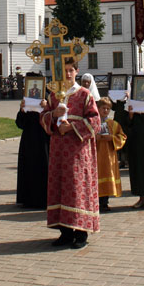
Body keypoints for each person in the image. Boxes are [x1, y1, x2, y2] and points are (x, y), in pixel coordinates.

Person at [40, 58, 100, 249]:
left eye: (70, 70)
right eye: (63, 71)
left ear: (77, 71)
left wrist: (72, 127)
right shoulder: (54, 96)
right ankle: (65, 232)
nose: (67, 74)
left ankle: (81, 233)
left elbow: (95, 122)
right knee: (60, 187)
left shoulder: (84, 95)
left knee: (78, 189)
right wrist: (52, 116)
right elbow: (43, 118)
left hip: (78, 152)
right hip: (58, 152)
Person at [15, 97, 50, 208]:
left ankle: (44, 199)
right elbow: (20, 123)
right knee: (29, 166)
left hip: (45, 139)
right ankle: (28, 199)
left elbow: (55, 119)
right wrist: (22, 109)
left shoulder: (49, 100)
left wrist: (47, 107)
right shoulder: (27, 101)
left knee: (44, 166)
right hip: (29, 140)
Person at [95, 98, 126, 212]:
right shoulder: (93, 123)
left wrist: (112, 138)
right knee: (96, 177)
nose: (106, 110)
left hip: (108, 156)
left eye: (108, 109)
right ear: (98, 109)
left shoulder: (113, 124)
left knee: (107, 177)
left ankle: (104, 202)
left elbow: (122, 137)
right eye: (103, 108)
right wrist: (95, 138)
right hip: (96, 155)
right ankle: (96, 202)